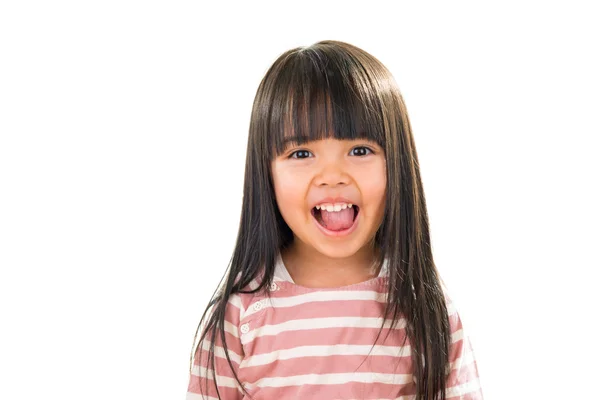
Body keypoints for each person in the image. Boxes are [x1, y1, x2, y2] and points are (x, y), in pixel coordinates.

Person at [185, 40, 482, 399]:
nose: (332, 175)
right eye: (301, 153)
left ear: (398, 164)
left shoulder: (425, 310)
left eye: (359, 150)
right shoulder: (238, 315)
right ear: (267, 173)